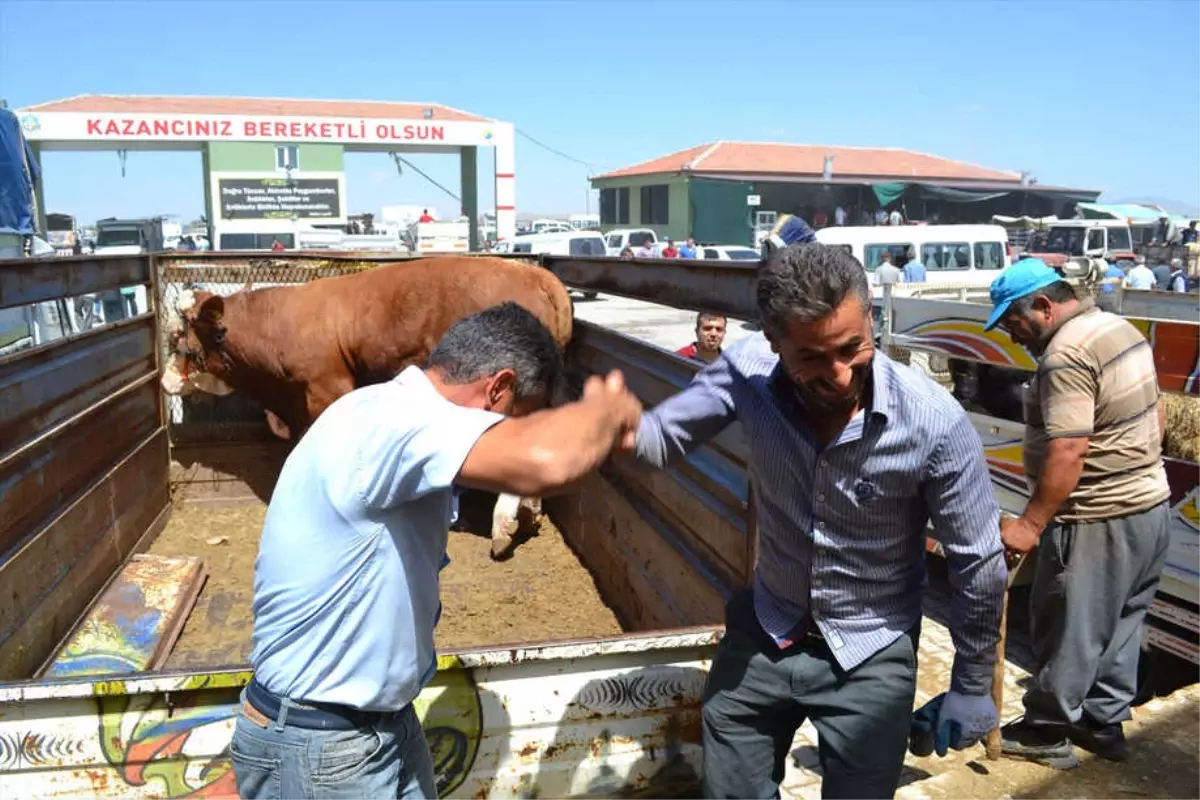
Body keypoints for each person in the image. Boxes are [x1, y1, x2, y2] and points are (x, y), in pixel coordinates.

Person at [636, 243, 1006, 799]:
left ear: (872, 324)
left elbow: (977, 561)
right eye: (810, 357)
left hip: (872, 649)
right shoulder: (745, 372)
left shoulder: (935, 425)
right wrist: (606, 426)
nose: (836, 374)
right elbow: (662, 435)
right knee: (729, 788)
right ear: (773, 343)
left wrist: (972, 685)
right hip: (768, 629)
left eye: (851, 348)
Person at [230, 303, 643, 799]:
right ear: (498, 389)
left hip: (371, 728)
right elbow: (548, 462)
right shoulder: (398, 423)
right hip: (324, 741)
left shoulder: (380, 412)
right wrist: (606, 408)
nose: (508, 438)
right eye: (516, 422)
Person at [983, 260, 1171, 769]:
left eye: (1013, 321)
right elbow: (1157, 414)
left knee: (1070, 623)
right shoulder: (1118, 328)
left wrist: (1030, 524)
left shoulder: (1066, 354)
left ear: (1044, 306)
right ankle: (1102, 722)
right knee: (1122, 621)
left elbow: (1069, 449)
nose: (1011, 333)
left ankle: (1046, 729)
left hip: (1097, 516)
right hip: (1149, 506)